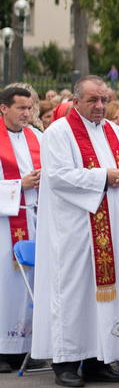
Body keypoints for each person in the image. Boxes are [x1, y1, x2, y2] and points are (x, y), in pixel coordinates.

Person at [32, 75, 119, 387]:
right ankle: (65, 360)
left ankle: (97, 359)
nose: (100, 106)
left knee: (104, 295)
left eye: (104, 99)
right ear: (76, 101)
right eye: (93, 100)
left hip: (109, 230)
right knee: (74, 291)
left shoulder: (116, 133)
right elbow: (59, 176)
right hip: (74, 229)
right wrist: (104, 177)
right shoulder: (59, 133)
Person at [0, 87, 42, 371]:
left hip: (35, 219)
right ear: (3, 108)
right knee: (5, 286)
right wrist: (19, 186)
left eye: (29, 108)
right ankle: (3, 351)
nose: (27, 114)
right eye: (21, 108)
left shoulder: (38, 137)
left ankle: (28, 347)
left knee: (33, 284)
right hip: (5, 225)